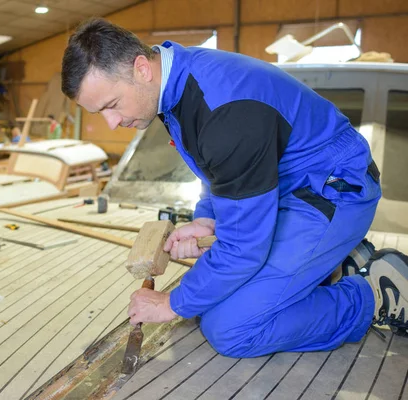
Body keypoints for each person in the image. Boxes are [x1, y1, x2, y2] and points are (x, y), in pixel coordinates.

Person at [60, 18, 408, 358]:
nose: (112, 123)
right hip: (284, 188)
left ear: (141, 69)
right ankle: (334, 263)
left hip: (331, 191)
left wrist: (170, 303)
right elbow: (216, 171)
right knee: (213, 295)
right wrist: (206, 219)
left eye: (111, 105)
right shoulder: (177, 80)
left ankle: (373, 293)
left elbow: (244, 248)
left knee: (231, 327)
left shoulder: (223, 109)